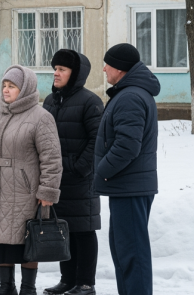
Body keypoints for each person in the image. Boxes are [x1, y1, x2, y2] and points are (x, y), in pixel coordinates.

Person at [0, 65, 62, 295]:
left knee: (26, 241)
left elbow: (52, 159)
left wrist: (47, 191)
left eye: (12, 86)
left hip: (24, 191)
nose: (6, 91)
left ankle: (28, 288)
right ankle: (6, 287)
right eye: (4, 86)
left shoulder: (41, 117)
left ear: (25, 88)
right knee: (0, 240)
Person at [95, 43, 160, 295]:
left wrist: (102, 169)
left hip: (129, 186)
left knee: (132, 254)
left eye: (107, 64)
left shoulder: (130, 97)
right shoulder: (129, 93)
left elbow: (127, 146)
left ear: (120, 69)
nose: (104, 69)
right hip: (128, 186)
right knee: (125, 252)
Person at [41, 50, 104, 295]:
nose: (56, 73)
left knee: (84, 231)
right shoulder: (50, 100)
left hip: (79, 180)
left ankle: (86, 283)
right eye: (55, 68)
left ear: (75, 74)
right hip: (56, 179)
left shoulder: (90, 101)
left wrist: (79, 167)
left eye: (62, 69)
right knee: (63, 229)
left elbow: (98, 140)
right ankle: (67, 280)